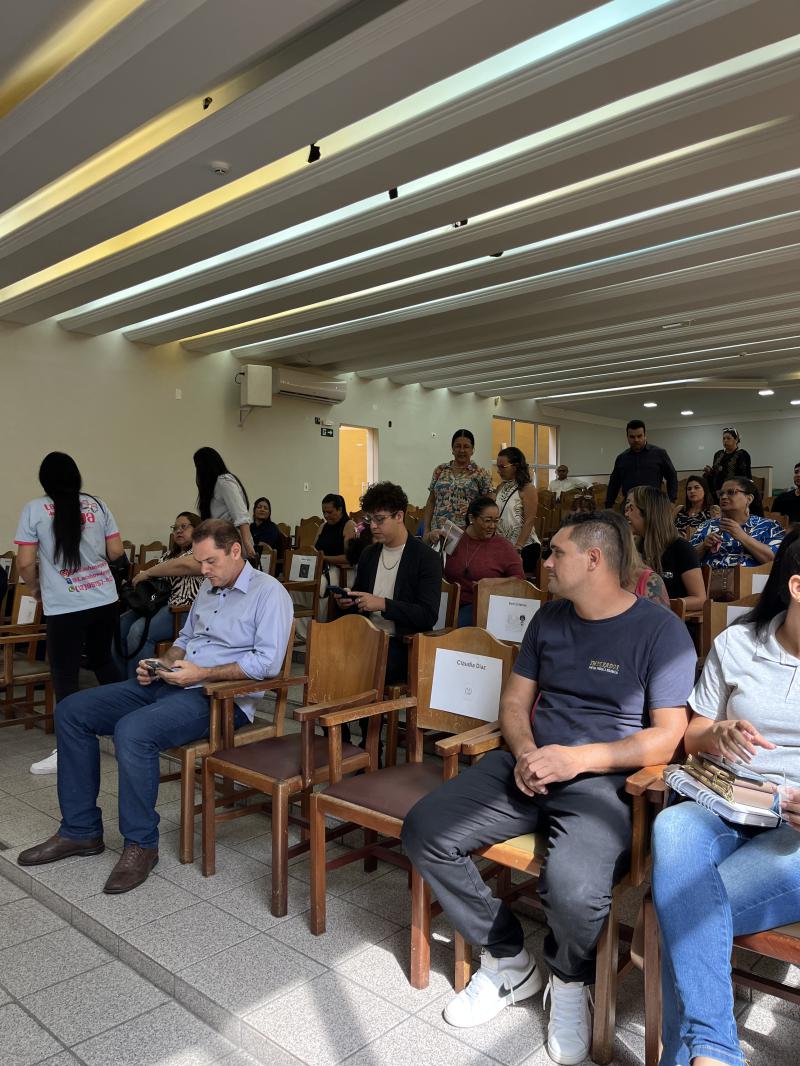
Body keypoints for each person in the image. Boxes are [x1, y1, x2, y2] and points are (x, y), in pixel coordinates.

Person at [402, 511, 696, 1065]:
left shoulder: (660, 630)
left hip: (603, 781)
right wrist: (526, 752)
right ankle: (508, 958)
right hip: (527, 764)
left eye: (557, 552)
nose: (546, 561)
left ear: (594, 559)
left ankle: (568, 979)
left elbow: (668, 736)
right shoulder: (549, 618)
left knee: (574, 889)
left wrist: (574, 760)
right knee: (425, 830)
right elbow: (514, 702)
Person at [17, 520, 293, 895]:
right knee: (72, 711)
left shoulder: (269, 593)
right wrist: (162, 662)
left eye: (210, 562)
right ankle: (80, 831)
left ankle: (142, 845)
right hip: (174, 680)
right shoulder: (209, 587)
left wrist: (202, 673)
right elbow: (185, 637)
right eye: (199, 562)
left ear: (235, 551)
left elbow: (267, 664)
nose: (204, 571)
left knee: (133, 731)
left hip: (219, 697)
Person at [651, 527, 800, 1066]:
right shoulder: (739, 644)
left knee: (682, 911)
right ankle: (714, 1047)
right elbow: (692, 736)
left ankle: (701, 1054)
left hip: (794, 829)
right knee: (672, 826)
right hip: (729, 799)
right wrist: (717, 733)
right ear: (798, 587)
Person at [14, 453, 125, 777]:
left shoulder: (34, 509)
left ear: (44, 480)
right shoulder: (97, 505)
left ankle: (68, 749)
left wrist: (36, 587)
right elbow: (116, 552)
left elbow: (24, 563)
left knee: (64, 675)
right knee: (103, 661)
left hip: (65, 605)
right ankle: (132, 724)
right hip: (105, 599)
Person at [114, 512, 202, 680]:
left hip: (181, 611)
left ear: (197, 529)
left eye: (184, 527)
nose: (178, 531)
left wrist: (147, 572)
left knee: (138, 632)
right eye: (175, 528)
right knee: (119, 625)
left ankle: (137, 683)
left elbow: (181, 566)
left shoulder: (200, 553)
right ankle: (120, 680)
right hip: (157, 604)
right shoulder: (169, 554)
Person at [444, 496, 524, 626]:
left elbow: (519, 579)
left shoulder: (503, 546)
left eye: (496, 521)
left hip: (480, 604)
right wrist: (431, 539)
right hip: (447, 600)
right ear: (472, 518)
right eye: (487, 521)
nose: (492, 526)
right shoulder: (453, 535)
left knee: (456, 625)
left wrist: (491, 584)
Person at [625, 486, 705, 612]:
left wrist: (660, 603)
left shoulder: (681, 548)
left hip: (670, 620)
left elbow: (700, 599)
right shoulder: (634, 548)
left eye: (631, 507)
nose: (626, 514)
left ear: (649, 511)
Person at [691, 476, 784, 568]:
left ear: (749, 499)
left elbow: (776, 561)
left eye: (731, 492)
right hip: (708, 577)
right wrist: (703, 546)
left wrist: (742, 536)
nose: (723, 497)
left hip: (751, 577)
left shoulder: (768, 526)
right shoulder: (707, 526)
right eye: (721, 493)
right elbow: (686, 560)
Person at [423, 429, 492, 539]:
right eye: (458, 446)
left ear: (472, 450)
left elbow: (487, 506)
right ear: (452, 449)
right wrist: (426, 530)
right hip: (437, 533)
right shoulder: (440, 470)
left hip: (466, 534)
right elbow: (431, 501)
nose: (461, 450)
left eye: (466, 446)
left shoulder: (481, 473)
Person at [193, 446, 255, 561]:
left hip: (231, 542)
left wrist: (246, 542)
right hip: (219, 541)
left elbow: (241, 515)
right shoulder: (212, 487)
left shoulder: (224, 481)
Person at [605, 420, 678, 507]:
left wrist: (672, 500)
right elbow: (614, 484)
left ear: (645, 435)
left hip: (653, 504)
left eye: (639, 436)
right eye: (632, 437)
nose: (636, 440)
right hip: (630, 505)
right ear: (627, 437)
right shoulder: (621, 458)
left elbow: (672, 476)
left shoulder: (659, 453)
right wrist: (608, 505)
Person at [495, 446, 541, 573]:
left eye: (502, 467)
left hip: (524, 546)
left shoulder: (528, 488)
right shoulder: (500, 487)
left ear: (515, 466)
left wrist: (518, 547)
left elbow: (529, 520)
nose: (498, 471)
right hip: (503, 546)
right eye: (497, 467)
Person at [704, 426, 752, 500]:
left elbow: (745, 475)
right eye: (723, 438)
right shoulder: (718, 454)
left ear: (736, 440)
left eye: (728, 438)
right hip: (718, 490)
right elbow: (716, 473)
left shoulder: (742, 454)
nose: (725, 441)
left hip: (734, 491)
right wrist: (710, 471)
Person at [314, 494, 356, 567]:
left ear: (340, 510)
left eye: (329, 512)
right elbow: (314, 550)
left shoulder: (349, 526)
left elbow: (350, 557)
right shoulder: (322, 526)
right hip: (321, 567)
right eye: (324, 512)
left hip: (340, 569)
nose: (326, 516)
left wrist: (324, 558)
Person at [674, 475, 720, 539]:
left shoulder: (713, 510)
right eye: (689, 489)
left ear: (704, 490)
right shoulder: (679, 509)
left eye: (696, 487)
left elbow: (717, 535)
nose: (692, 491)